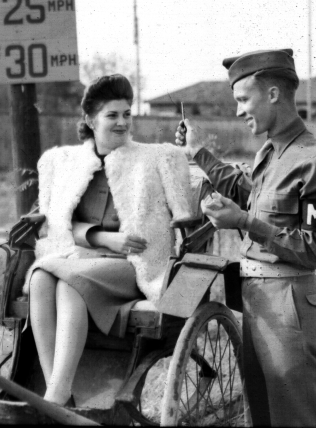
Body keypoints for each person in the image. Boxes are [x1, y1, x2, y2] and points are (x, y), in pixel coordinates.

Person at [175, 48, 316, 427]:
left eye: (243, 99)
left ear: (272, 94)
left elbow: (313, 250)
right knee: (264, 416)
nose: (238, 111)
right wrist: (199, 153)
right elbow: (246, 190)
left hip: (291, 304)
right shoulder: (272, 151)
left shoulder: (315, 161)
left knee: (300, 417)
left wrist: (246, 223)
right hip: (260, 301)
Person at [28, 74, 194, 406]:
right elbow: (61, 224)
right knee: (41, 277)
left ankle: (56, 397)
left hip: (134, 266)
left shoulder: (153, 158)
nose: (122, 123)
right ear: (91, 120)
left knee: (67, 281)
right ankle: (59, 392)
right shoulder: (70, 165)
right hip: (83, 260)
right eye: (112, 115)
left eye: (126, 114)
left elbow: (184, 215)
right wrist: (103, 237)